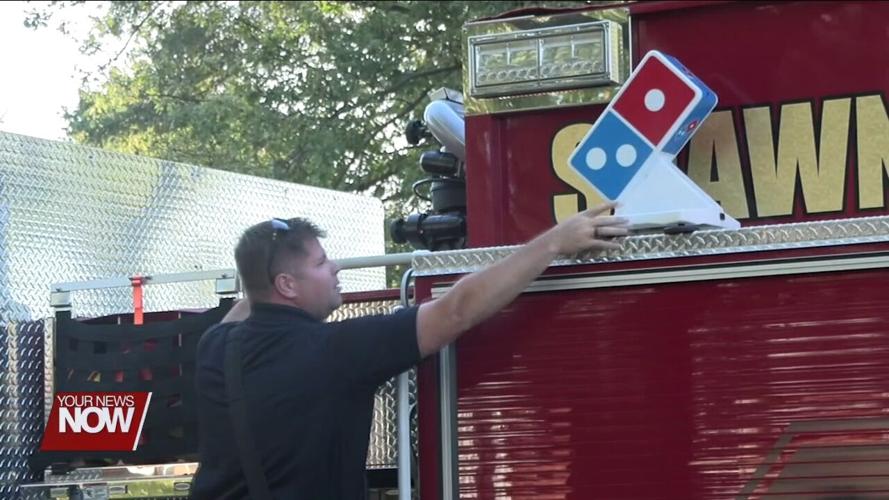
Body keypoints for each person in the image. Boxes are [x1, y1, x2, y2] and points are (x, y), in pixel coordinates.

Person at [191, 203, 629, 499]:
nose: (337, 268)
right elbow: (456, 310)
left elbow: (253, 297)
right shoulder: (336, 351)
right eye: (323, 263)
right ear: (286, 285)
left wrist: (266, 250)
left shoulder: (216, 346)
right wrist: (553, 242)